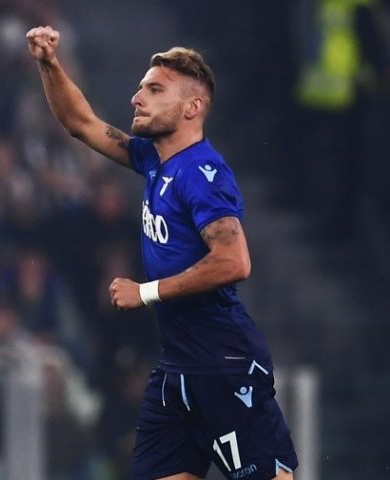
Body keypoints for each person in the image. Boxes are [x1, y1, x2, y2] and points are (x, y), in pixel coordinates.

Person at [27, 26, 298, 480]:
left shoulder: (203, 174)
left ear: (192, 107)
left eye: (154, 89)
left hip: (224, 367)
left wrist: (146, 291)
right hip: (176, 369)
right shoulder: (154, 159)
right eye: (139, 88)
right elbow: (81, 123)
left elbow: (235, 261)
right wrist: (50, 64)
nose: (137, 98)